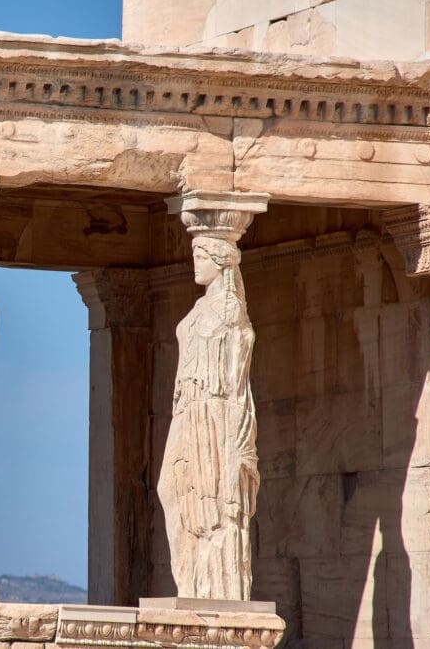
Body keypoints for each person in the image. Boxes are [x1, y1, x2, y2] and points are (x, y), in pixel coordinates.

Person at [158, 236, 259, 601]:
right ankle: (190, 582)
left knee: (212, 498)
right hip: (188, 408)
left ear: (220, 261)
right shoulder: (202, 306)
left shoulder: (230, 310)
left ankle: (214, 589)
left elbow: (235, 377)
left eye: (201, 255)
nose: (195, 262)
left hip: (215, 413)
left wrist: (233, 440)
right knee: (170, 488)